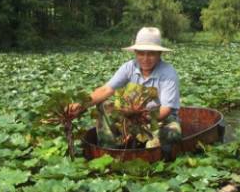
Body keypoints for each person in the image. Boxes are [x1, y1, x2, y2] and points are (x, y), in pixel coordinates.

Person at [69, 27, 182, 158]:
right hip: (131, 116)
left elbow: (166, 110)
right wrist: (81, 104)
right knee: (104, 105)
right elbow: (107, 89)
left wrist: (140, 120)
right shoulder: (129, 67)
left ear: (159, 54)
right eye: (141, 53)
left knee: (172, 134)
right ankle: (109, 149)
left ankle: (154, 152)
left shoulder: (168, 73)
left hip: (160, 119)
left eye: (151, 54)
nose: (145, 58)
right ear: (135, 52)